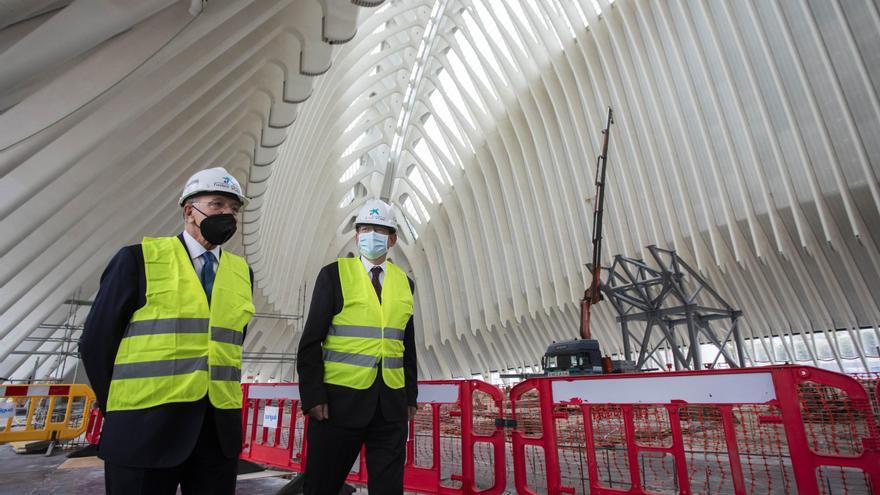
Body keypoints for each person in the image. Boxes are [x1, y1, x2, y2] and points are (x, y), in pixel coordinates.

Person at [79, 167, 255, 494]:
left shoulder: (243, 273)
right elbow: (96, 343)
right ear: (190, 211)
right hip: (143, 429)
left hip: (216, 434)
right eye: (217, 204)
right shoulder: (139, 260)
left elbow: (229, 344)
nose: (227, 214)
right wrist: (118, 408)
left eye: (234, 208)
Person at [297, 199, 418, 495]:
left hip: (390, 405)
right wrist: (313, 396)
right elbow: (312, 340)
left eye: (379, 229)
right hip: (337, 405)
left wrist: (410, 396)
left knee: (389, 488)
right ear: (356, 236)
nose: (371, 235)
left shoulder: (405, 283)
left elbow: (406, 345)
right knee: (322, 485)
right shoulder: (334, 275)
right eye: (364, 229)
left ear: (392, 238)